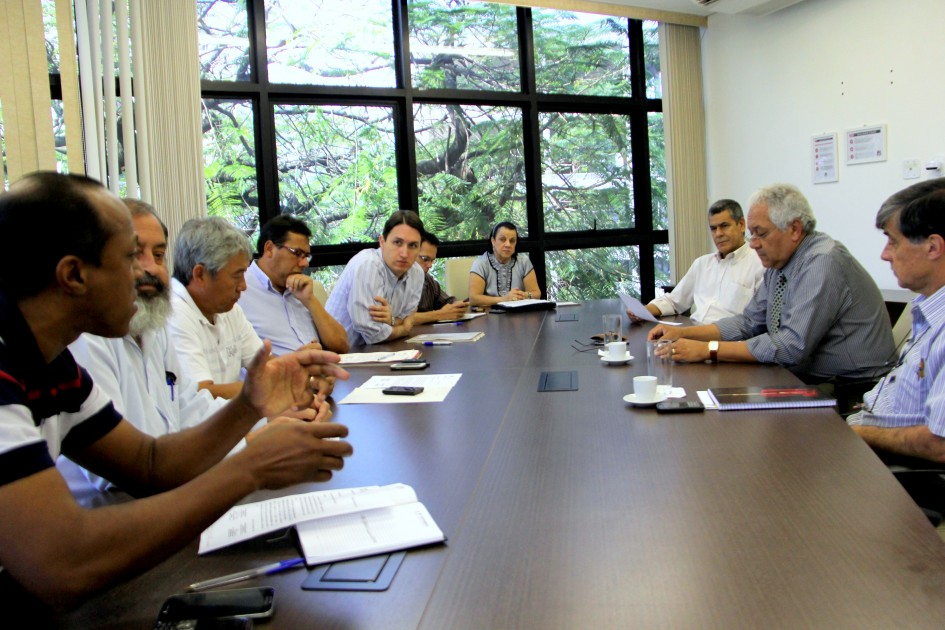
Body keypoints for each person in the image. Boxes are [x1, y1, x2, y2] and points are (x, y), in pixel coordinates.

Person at [0, 172, 352, 608]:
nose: (150, 273)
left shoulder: (54, 364)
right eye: (131, 256)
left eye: (157, 255)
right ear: (73, 274)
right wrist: (251, 467)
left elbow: (149, 463)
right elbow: (63, 561)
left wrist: (249, 405)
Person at [648, 183, 895, 385]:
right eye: (752, 235)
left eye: (761, 233)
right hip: (804, 377)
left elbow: (790, 346)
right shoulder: (780, 263)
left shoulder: (822, 261)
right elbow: (748, 322)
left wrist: (708, 350)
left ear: (795, 229)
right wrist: (685, 333)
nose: (753, 243)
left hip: (852, 386)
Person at [848, 179, 945, 464]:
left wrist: (856, 432)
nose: (885, 254)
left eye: (893, 241)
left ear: (933, 247)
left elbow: (939, 443)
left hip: (899, 472)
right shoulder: (927, 307)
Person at [165, 217, 263, 400]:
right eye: (237, 276)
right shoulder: (173, 314)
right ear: (200, 275)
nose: (243, 286)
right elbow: (202, 395)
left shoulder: (228, 309)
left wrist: (307, 376)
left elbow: (264, 366)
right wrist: (272, 386)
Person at [629, 199, 763, 324]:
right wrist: (643, 311)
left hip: (728, 341)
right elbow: (674, 300)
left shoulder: (759, 264)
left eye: (724, 226)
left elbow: (756, 322)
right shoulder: (702, 264)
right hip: (693, 334)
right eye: (713, 228)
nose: (718, 234)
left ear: (741, 225)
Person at [238, 215, 349, 356]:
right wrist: (296, 360)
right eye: (297, 253)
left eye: (306, 256)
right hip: (279, 375)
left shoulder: (301, 289)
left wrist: (310, 301)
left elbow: (341, 346)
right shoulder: (240, 289)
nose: (305, 263)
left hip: (322, 372)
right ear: (269, 249)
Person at [325, 211, 425, 346]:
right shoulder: (368, 264)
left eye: (412, 245)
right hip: (342, 356)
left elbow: (409, 319)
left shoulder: (417, 273)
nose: (404, 253)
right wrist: (402, 329)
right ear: (382, 241)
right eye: (397, 242)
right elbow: (373, 334)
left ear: (419, 248)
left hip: (378, 353)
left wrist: (392, 320)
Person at [468, 222, 541, 307]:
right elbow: (473, 299)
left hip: (518, 315)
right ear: (493, 241)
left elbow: (537, 293)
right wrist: (504, 299)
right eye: (502, 239)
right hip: (489, 315)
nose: (508, 244)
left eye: (512, 241)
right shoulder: (481, 263)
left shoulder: (523, 261)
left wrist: (522, 295)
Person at [411, 231, 470, 325]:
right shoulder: (396, 281)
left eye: (432, 260)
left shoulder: (427, 279)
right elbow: (402, 319)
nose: (430, 265)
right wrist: (439, 314)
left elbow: (447, 301)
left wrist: (457, 305)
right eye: (425, 259)